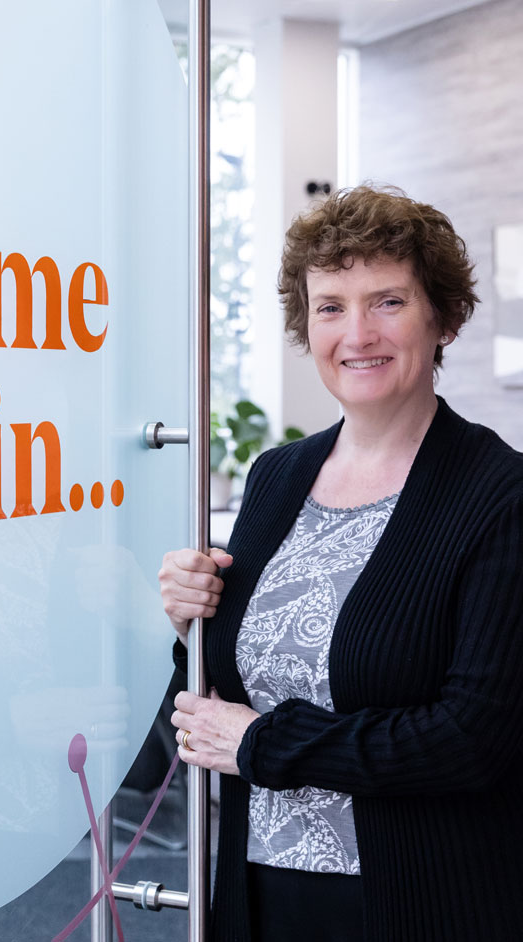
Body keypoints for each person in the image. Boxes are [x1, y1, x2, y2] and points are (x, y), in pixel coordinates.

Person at [159, 185, 523, 942]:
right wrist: (187, 619)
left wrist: (263, 745)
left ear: (443, 317)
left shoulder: (499, 495)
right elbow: (230, 685)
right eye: (330, 306)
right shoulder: (275, 476)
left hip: (417, 900)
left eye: (386, 301)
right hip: (259, 890)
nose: (357, 333)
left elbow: (475, 736)